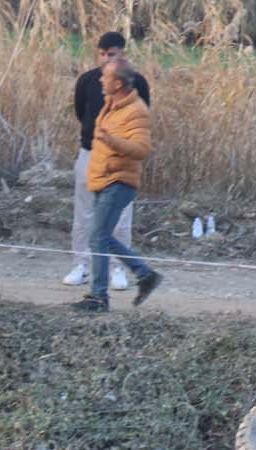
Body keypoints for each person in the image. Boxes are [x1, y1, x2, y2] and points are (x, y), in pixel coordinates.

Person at [70, 58, 162, 313]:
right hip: (103, 180)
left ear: (118, 82)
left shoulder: (136, 111)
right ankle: (144, 274)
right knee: (101, 237)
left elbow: (141, 149)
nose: (100, 79)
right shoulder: (111, 106)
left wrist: (113, 141)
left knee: (97, 237)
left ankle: (99, 297)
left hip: (119, 182)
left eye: (106, 76)